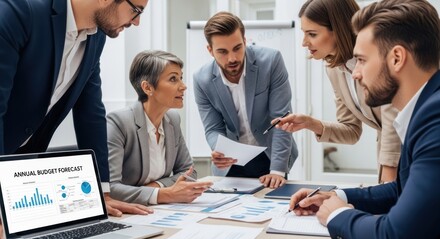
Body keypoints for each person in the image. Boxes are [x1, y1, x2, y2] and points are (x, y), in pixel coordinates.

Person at [289, 0, 440, 239]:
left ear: (397, 58)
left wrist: (337, 215)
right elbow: (401, 190)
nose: (356, 73)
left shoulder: (434, 118)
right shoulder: (426, 109)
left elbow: (396, 234)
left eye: (361, 60)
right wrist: (338, 197)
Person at [0, 0, 152, 217]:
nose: (136, 22)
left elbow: (91, 113)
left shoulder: (96, 38)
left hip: (20, 170)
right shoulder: (21, 11)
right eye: (136, 10)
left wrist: (102, 192)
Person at [273, 0, 401, 183]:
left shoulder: (379, 56)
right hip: (390, 159)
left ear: (338, 29)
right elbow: (351, 131)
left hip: (411, 151)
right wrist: (310, 123)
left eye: (312, 34)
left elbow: (392, 120)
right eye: (304, 34)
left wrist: (388, 178)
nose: (304, 43)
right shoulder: (334, 70)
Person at [193, 11, 298, 189]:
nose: (232, 58)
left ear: (245, 41)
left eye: (237, 48)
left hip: (270, 157)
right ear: (210, 50)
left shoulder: (271, 62)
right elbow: (213, 128)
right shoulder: (201, 79)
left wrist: (278, 171)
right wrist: (219, 150)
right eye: (222, 52)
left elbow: (281, 119)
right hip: (231, 164)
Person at [107, 50, 213, 205]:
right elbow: (110, 189)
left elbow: (189, 172)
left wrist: (157, 187)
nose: (183, 87)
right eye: (173, 79)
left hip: (157, 210)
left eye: (180, 78)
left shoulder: (172, 119)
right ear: (148, 88)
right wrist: (164, 195)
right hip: (128, 214)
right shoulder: (119, 122)